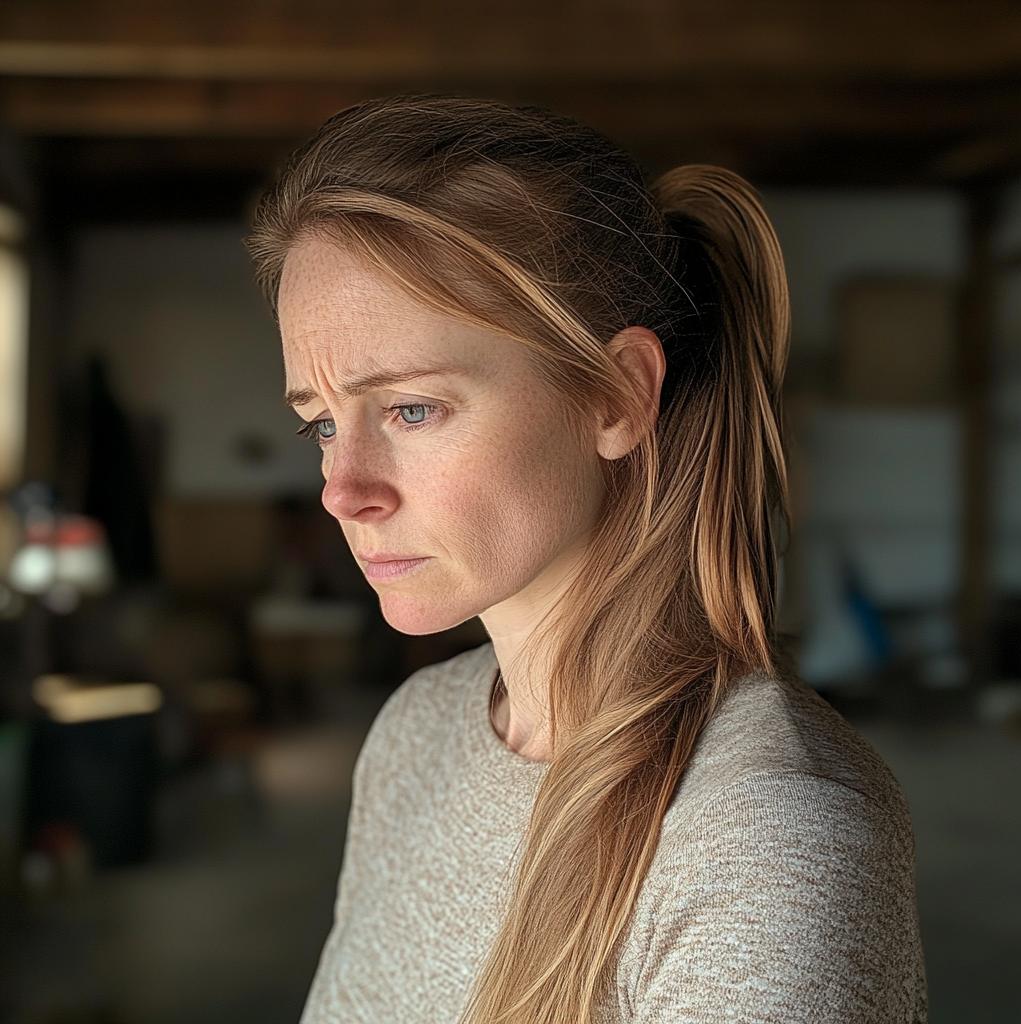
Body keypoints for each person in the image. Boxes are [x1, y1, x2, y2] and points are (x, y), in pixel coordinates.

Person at [247, 95, 926, 1024]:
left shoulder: (768, 835)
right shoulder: (415, 734)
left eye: (411, 408)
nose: (341, 487)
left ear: (614, 397)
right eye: (321, 423)